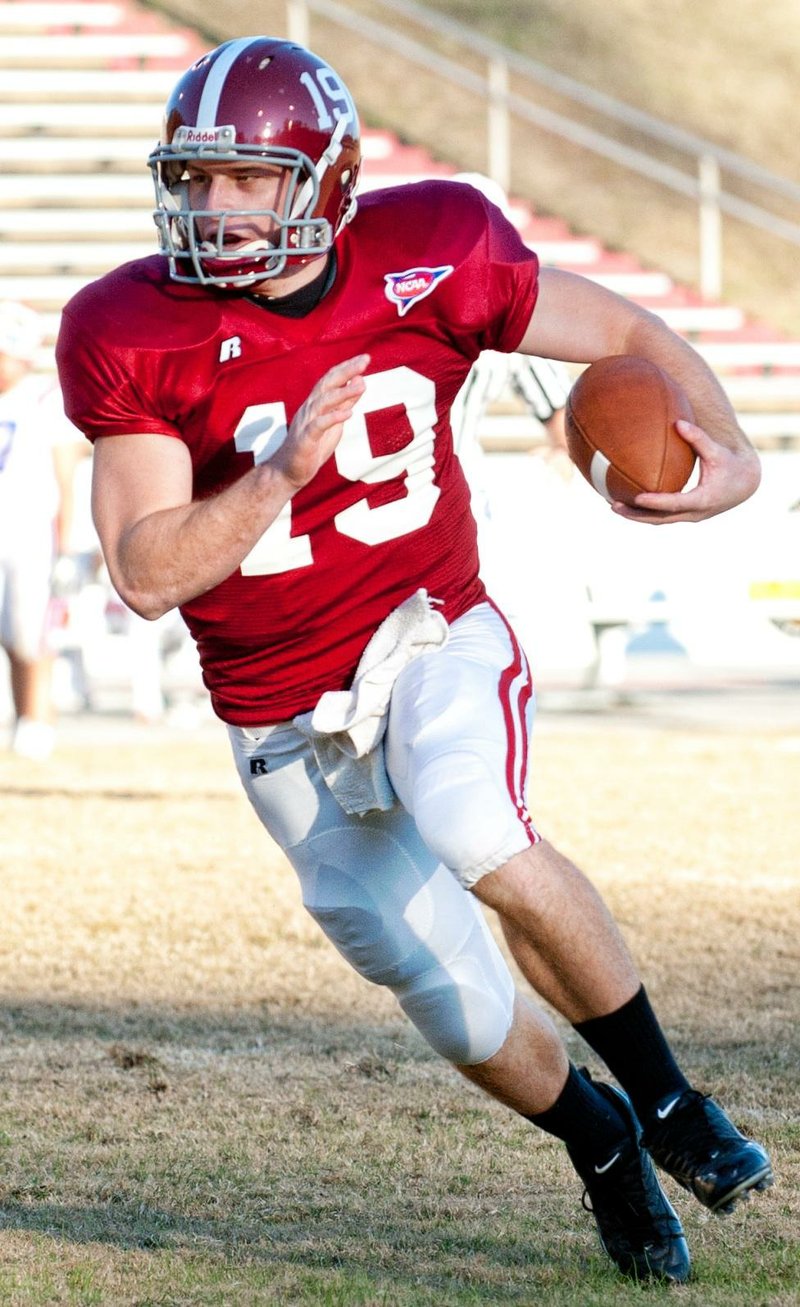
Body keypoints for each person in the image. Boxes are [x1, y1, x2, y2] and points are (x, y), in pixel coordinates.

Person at [56, 37, 772, 1284]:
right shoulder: (129, 327)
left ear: (325, 182)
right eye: (199, 179)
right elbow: (147, 570)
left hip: (424, 622)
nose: (217, 210)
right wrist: (273, 477)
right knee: (436, 983)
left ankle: (668, 1101)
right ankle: (601, 1138)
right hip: (277, 706)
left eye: (249, 180)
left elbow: (630, 328)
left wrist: (732, 448)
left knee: (471, 814)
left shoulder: (433, 243)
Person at [0, 301, 84, 760]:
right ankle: (22, 720)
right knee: (11, 635)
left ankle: (38, 723)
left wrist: (67, 546)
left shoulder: (45, 401)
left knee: (33, 633)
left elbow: (65, 477)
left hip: (32, 534)